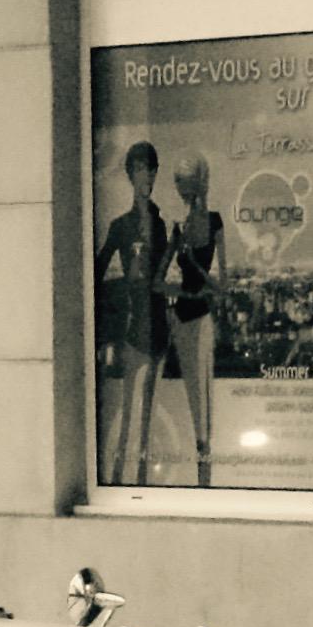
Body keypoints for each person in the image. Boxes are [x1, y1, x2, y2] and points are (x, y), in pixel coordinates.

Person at [92, 141, 168, 485]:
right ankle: (118, 481)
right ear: (130, 175)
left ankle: (139, 483)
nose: (146, 176)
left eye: (150, 170)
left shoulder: (160, 225)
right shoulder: (121, 226)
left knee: (146, 420)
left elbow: (161, 276)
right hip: (133, 329)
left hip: (158, 331)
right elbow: (96, 274)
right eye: (139, 170)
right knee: (126, 418)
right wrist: (122, 299)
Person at [167, 151, 226, 486]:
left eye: (188, 185)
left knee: (203, 409)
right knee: (195, 405)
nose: (186, 194)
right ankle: (201, 480)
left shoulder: (214, 223)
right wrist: (183, 291)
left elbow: (221, 286)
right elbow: (159, 281)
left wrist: (194, 266)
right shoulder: (180, 228)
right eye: (182, 186)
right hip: (183, 319)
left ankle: (205, 480)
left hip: (200, 320)